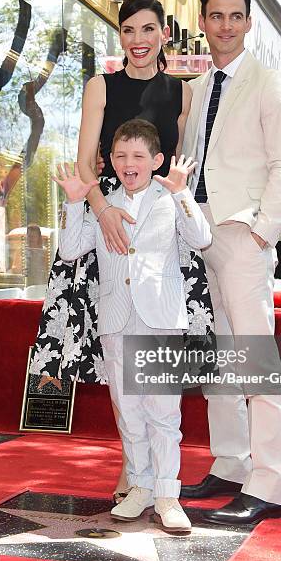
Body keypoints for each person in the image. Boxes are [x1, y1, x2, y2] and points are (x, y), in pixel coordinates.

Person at [31, 0, 214, 502]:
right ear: (121, 36)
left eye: (148, 29)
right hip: (102, 219)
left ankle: (158, 481)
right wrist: (101, 208)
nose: (138, 40)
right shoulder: (100, 85)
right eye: (129, 30)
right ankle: (132, 470)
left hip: (160, 231)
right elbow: (86, 159)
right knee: (111, 351)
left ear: (163, 34)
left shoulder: (183, 93)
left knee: (159, 361)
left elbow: (183, 165)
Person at [179, 0, 281, 526]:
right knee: (221, 362)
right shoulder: (202, 89)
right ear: (203, 23)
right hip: (202, 235)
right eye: (215, 16)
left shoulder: (269, 83)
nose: (225, 25)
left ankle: (268, 482)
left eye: (235, 16)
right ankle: (230, 463)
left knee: (255, 360)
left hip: (243, 236)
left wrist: (262, 232)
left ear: (248, 23)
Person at [54, 119, 212, 533]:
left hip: (160, 316)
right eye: (121, 156)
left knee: (162, 412)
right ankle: (139, 486)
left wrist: (182, 194)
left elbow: (201, 238)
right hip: (117, 317)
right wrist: (75, 203)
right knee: (128, 411)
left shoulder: (170, 197)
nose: (129, 163)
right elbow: (70, 250)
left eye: (138, 156)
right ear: (111, 162)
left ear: (156, 160)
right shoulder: (102, 203)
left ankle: (167, 495)